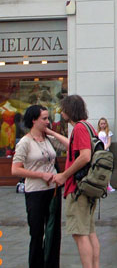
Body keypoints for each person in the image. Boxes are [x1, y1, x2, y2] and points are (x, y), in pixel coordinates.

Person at [11, 105, 68, 268]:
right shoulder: (25, 142)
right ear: (34, 120)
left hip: (53, 191)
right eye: (44, 118)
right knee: (37, 233)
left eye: (48, 118)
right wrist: (41, 175)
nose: (47, 121)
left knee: (54, 233)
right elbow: (15, 169)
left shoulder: (48, 139)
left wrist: (51, 132)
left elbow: (70, 146)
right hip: (35, 192)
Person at [53, 95, 101, 268]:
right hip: (89, 186)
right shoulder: (88, 126)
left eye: (63, 109)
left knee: (80, 234)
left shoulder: (79, 128)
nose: (62, 112)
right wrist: (53, 134)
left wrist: (64, 175)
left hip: (78, 187)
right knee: (89, 231)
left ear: (69, 110)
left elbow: (85, 156)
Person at [97, 117, 115, 192]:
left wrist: (104, 148)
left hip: (105, 151)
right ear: (99, 124)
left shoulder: (108, 132)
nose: (103, 125)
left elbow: (109, 142)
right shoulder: (97, 132)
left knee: (107, 168)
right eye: (101, 123)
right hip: (98, 151)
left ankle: (108, 184)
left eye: (104, 123)